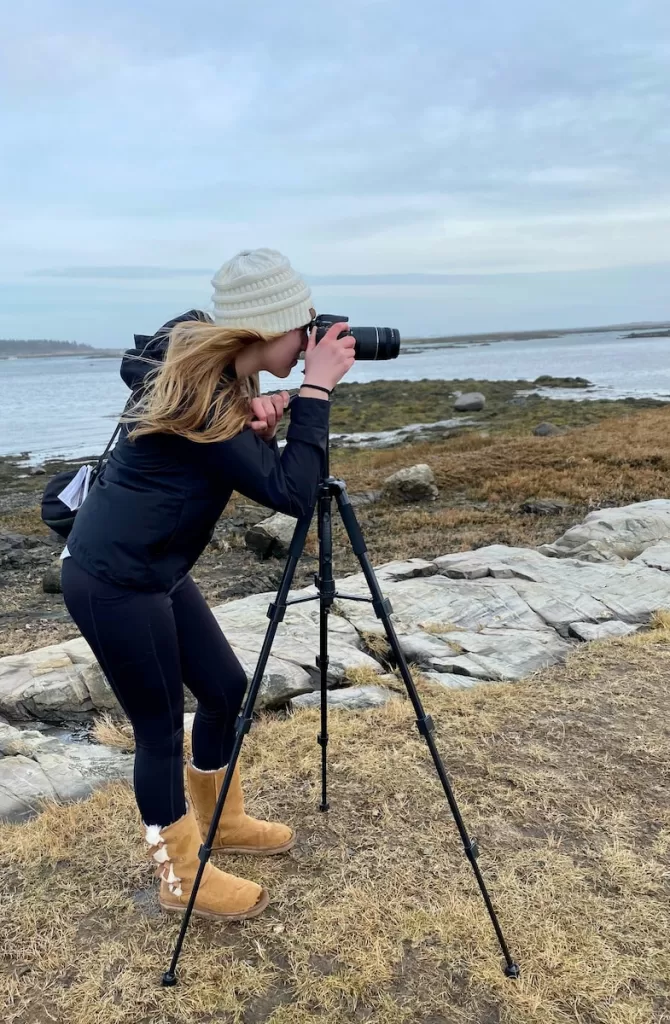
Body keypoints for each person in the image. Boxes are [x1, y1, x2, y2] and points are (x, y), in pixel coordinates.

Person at [61, 248, 356, 922]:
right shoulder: (206, 392)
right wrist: (316, 390)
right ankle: (180, 873)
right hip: (112, 582)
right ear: (265, 328)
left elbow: (250, 464)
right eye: (303, 324)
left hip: (158, 571)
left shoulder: (219, 382)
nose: (312, 336)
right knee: (159, 730)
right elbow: (294, 494)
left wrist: (266, 427)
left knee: (226, 690)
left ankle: (221, 820)